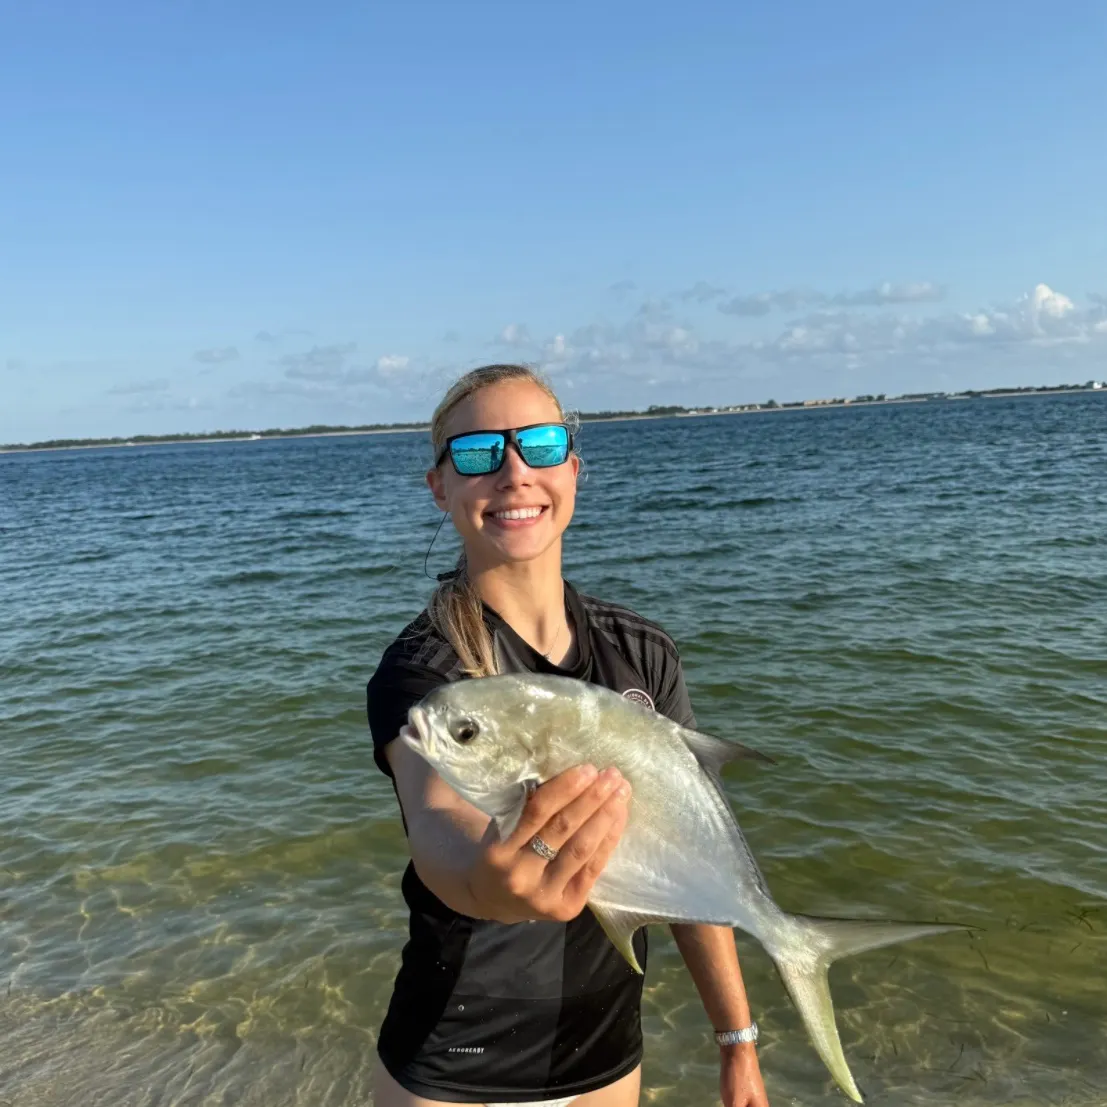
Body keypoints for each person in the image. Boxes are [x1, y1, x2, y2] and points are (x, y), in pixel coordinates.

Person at [366, 364, 770, 1107]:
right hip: (454, 1064)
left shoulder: (644, 651)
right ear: (440, 487)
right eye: (480, 452)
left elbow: (686, 856)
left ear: (573, 471)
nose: (515, 471)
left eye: (541, 445)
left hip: (607, 1055)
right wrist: (489, 882)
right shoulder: (425, 673)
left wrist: (736, 1040)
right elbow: (440, 832)